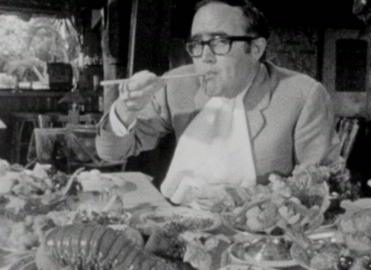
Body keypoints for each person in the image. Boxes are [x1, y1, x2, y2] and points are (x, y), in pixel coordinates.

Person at [96, 0, 340, 206]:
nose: (205, 58)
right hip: (183, 221)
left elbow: (318, 188)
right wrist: (125, 110)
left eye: (219, 42)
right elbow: (110, 152)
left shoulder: (303, 95)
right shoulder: (174, 86)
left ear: (255, 49)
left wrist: (242, 197)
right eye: (197, 45)